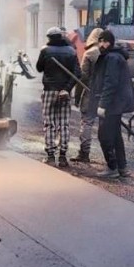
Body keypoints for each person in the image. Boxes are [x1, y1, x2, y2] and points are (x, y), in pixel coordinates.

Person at [90, 30, 134, 179]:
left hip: (112, 104)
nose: (101, 44)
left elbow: (110, 82)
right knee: (116, 135)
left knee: (105, 135)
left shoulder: (111, 58)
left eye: (104, 41)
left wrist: (103, 104)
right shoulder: (115, 56)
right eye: (100, 41)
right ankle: (122, 167)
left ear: (109, 42)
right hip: (117, 103)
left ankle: (112, 167)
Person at [35, 26, 80, 167]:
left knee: (49, 124)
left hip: (49, 90)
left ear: (49, 38)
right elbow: (77, 74)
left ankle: (50, 156)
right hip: (65, 93)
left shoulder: (45, 51)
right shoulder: (71, 51)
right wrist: (67, 89)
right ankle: (63, 156)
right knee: (64, 124)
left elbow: (39, 68)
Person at [70, 27, 103, 164]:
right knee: (106, 125)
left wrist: (77, 97)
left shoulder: (89, 53)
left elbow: (82, 78)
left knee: (87, 123)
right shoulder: (108, 54)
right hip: (105, 95)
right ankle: (111, 155)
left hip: (90, 93)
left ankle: (84, 153)